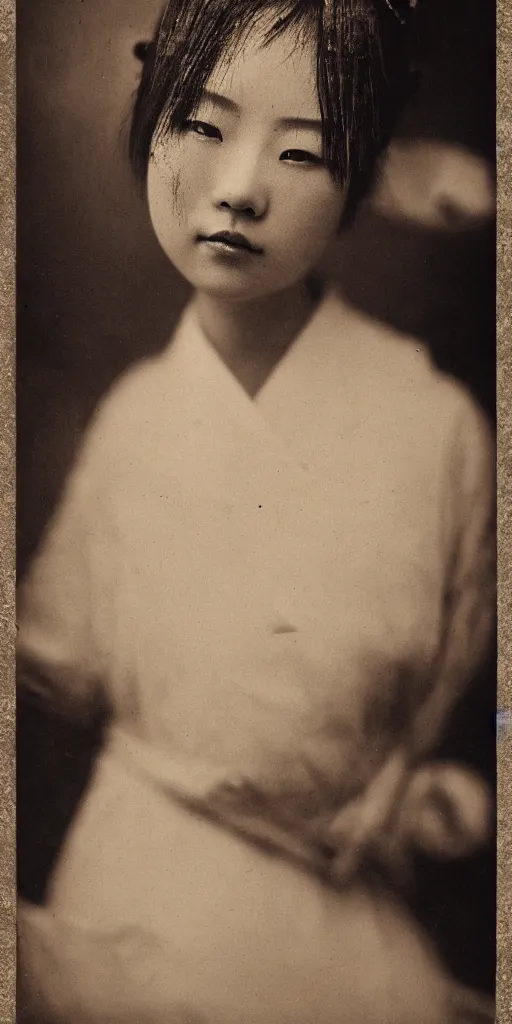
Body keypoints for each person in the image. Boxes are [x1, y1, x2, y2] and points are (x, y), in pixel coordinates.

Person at [17, 0, 495, 1021]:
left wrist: (408, 786)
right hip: (138, 899)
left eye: (302, 152)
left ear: (362, 177)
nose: (236, 191)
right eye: (200, 125)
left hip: (344, 927)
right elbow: (52, 677)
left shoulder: (438, 426)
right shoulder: (133, 424)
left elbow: (451, 690)